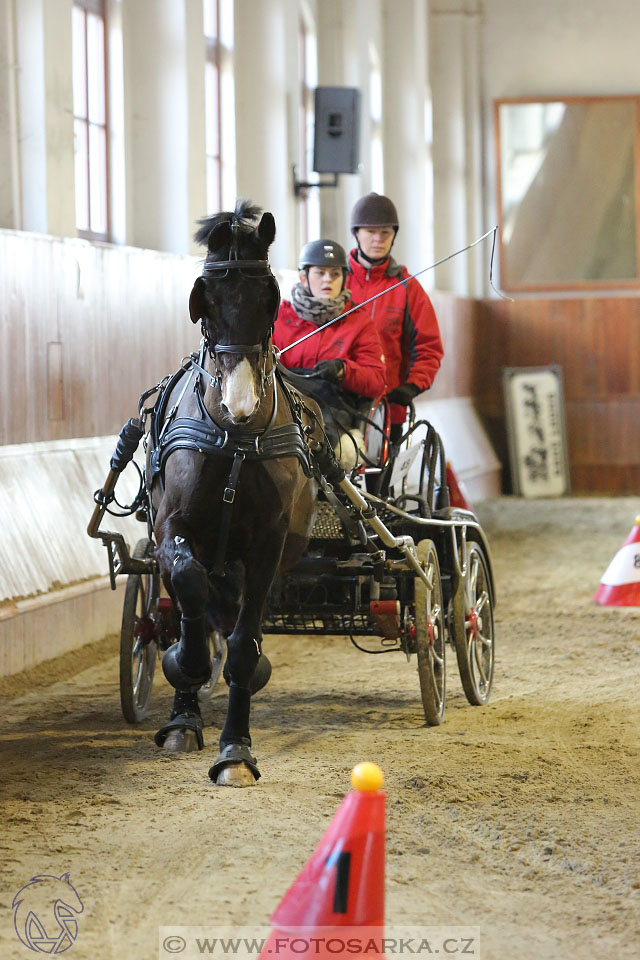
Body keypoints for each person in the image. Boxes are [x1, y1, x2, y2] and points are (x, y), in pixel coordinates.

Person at [273, 239, 386, 470]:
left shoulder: (360, 322)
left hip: (334, 406)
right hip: (283, 402)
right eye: (320, 273)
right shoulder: (278, 318)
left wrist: (344, 370)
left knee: (332, 445)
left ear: (344, 278)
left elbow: (376, 380)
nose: (327, 280)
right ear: (304, 277)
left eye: (335, 274)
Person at [346, 192, 444, 443]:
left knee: (380, 481)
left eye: (385, 233)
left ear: (394, 236)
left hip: (388, 409)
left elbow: (429, 348)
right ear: (356, 233)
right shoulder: (336, 281)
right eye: (370, 232)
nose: (378, 239)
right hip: (338, 405)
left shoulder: (408, 288)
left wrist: (412, 386)